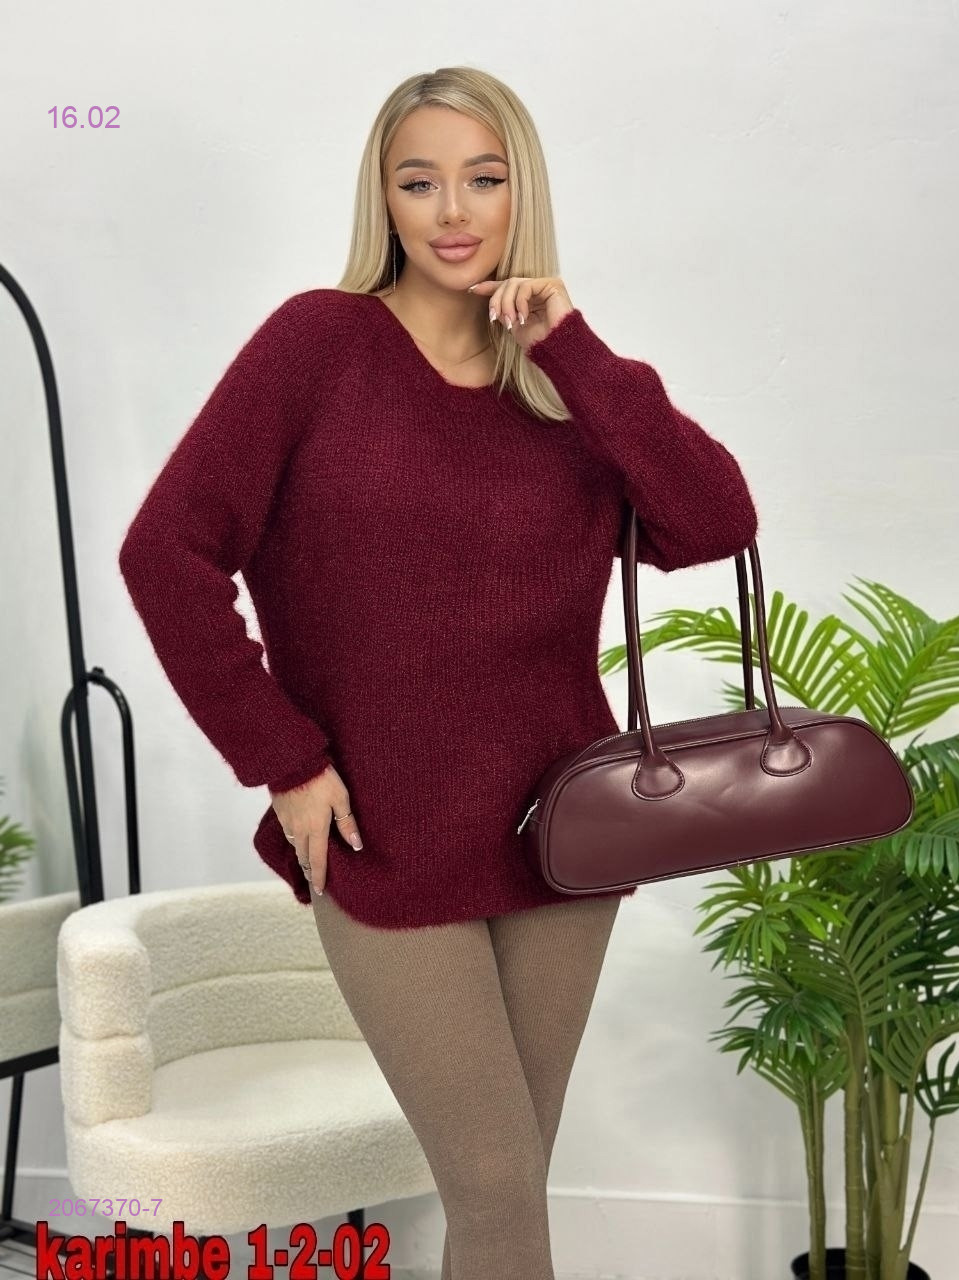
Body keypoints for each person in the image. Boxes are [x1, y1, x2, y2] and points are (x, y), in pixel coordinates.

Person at [118, 65, 759, 1280]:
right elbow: (167, 552)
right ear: (386, 199)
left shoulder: (568, 386)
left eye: (484, 178)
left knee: (502, 1192)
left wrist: (571, 347)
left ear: (525, 192)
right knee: (499, 1187)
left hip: (565, 832)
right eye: (420, 182)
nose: (454, 211)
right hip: (380, 831)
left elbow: (715, 520)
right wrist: (284, 757)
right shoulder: (319, 343)